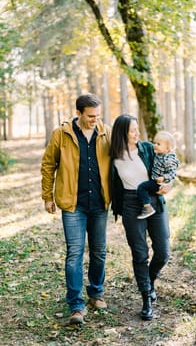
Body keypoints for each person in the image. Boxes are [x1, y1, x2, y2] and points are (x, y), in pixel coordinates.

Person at [41, 93, 111, 324]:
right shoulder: (61, 134)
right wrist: (47, 196)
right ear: (79, 113)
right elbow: (48, 164)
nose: (95, 120)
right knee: (74, 254)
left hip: (100, 204)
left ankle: (96, 293)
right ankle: (76, 305)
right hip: (73, 205)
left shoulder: (105, 132)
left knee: (99, 251)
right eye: (91, 116)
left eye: (98, 115)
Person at [110, 114, 171, 321]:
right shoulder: (112, 155)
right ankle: (146, 299)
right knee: (140, 254)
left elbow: (168, 164)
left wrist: (169, 184)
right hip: (129, 203)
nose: (137, 134)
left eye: (137, 129)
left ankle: (150, 282)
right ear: (122, 133)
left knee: (163, 252)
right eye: (132, 130)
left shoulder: (146, 148)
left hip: (154, 201)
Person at [137, 131, 179, 219]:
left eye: (158, 144)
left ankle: (147, 207)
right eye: (154, 143)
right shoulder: (159, 154)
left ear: (167, 149)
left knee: (142, 187)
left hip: (160, 183)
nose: (155, 145)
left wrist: (164, 178)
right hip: (156, 180)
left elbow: (173, 173)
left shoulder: (168, 159)